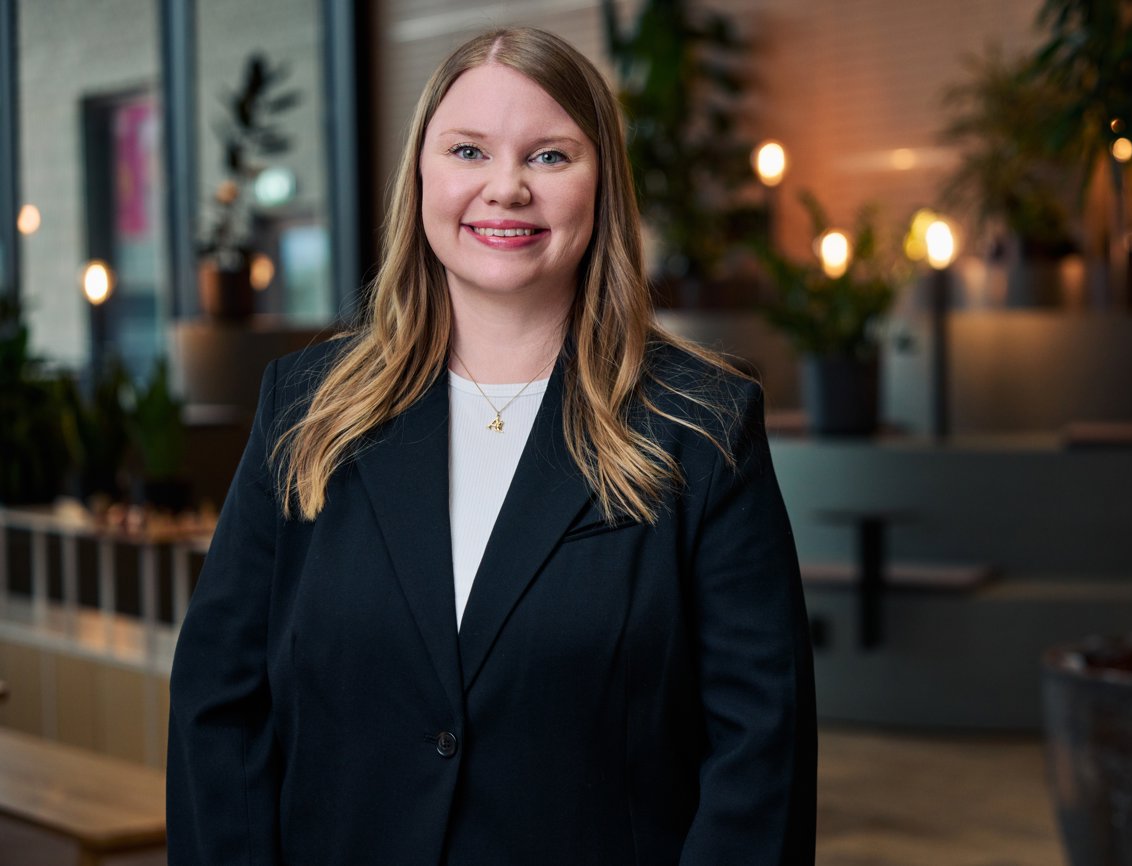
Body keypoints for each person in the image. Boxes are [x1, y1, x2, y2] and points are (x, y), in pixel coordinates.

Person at [166, 26, 816, 866]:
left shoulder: (701, 425)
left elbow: (761, 751)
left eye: (549, 157)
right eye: (469, 150)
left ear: (601, 186)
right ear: (423, 176)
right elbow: (219, 703)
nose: (505, 188)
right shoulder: (305, 408)